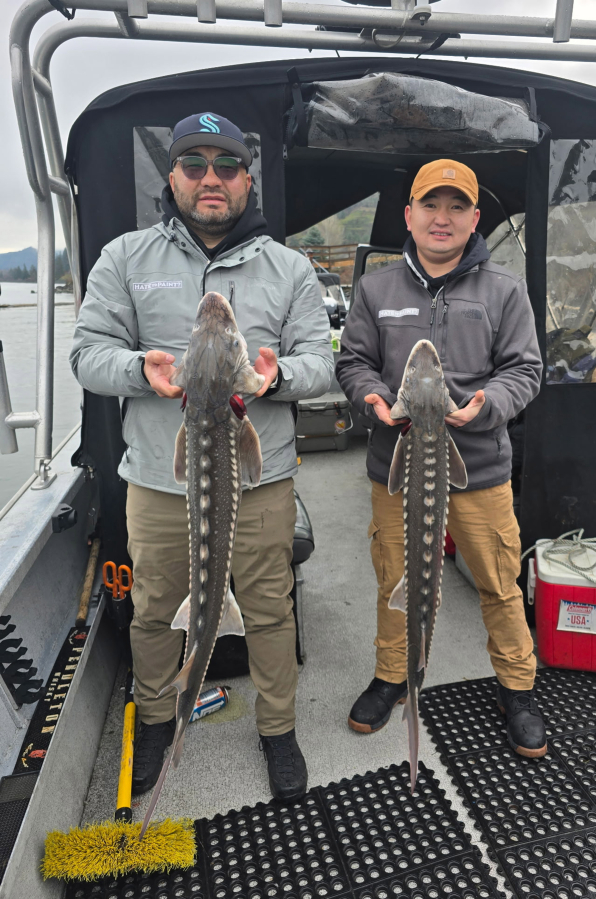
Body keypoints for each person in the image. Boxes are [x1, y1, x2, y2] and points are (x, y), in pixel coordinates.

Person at [71, 113, 334, 800]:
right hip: (160, 482)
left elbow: (323, 367)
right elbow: (87, 354)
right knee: (156, 608)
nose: (210, 178)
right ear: (172, 176)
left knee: (272, 609)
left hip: (262, 481)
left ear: (248, 178)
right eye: (194, 164)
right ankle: (158, 717)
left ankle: (278, 729)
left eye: (226, 165)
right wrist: (141, 370)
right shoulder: (125, 258)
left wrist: (276, 378)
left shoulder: (291, 266)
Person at [336, 159, 546, 758]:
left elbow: (525, 371)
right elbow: (352, 363)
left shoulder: (504, 289)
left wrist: (483, 407)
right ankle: (394, 675)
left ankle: (517, 686)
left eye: (457, 207)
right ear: (409, 214)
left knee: (498, 581)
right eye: (431, 205)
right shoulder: (375, 287)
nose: (442, 218)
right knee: (394, 579)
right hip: (396, 467)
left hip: (477, 466)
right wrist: (373, 400)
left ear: (475, 219)